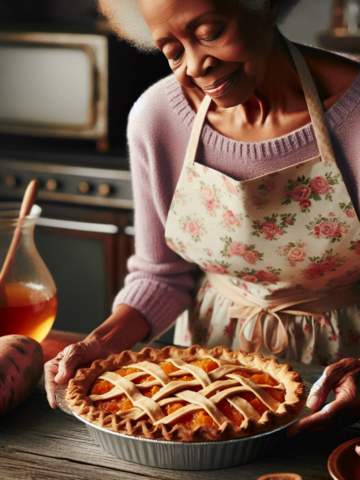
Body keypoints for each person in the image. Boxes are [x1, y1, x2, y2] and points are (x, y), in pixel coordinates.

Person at [45, 0, 360, 438]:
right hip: (201, 383)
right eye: (172, 50)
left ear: (265, 8)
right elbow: (162, 277)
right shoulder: (157, 119)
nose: (194, 65)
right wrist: (100, 343)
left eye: (210, 33)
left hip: (342, 370)